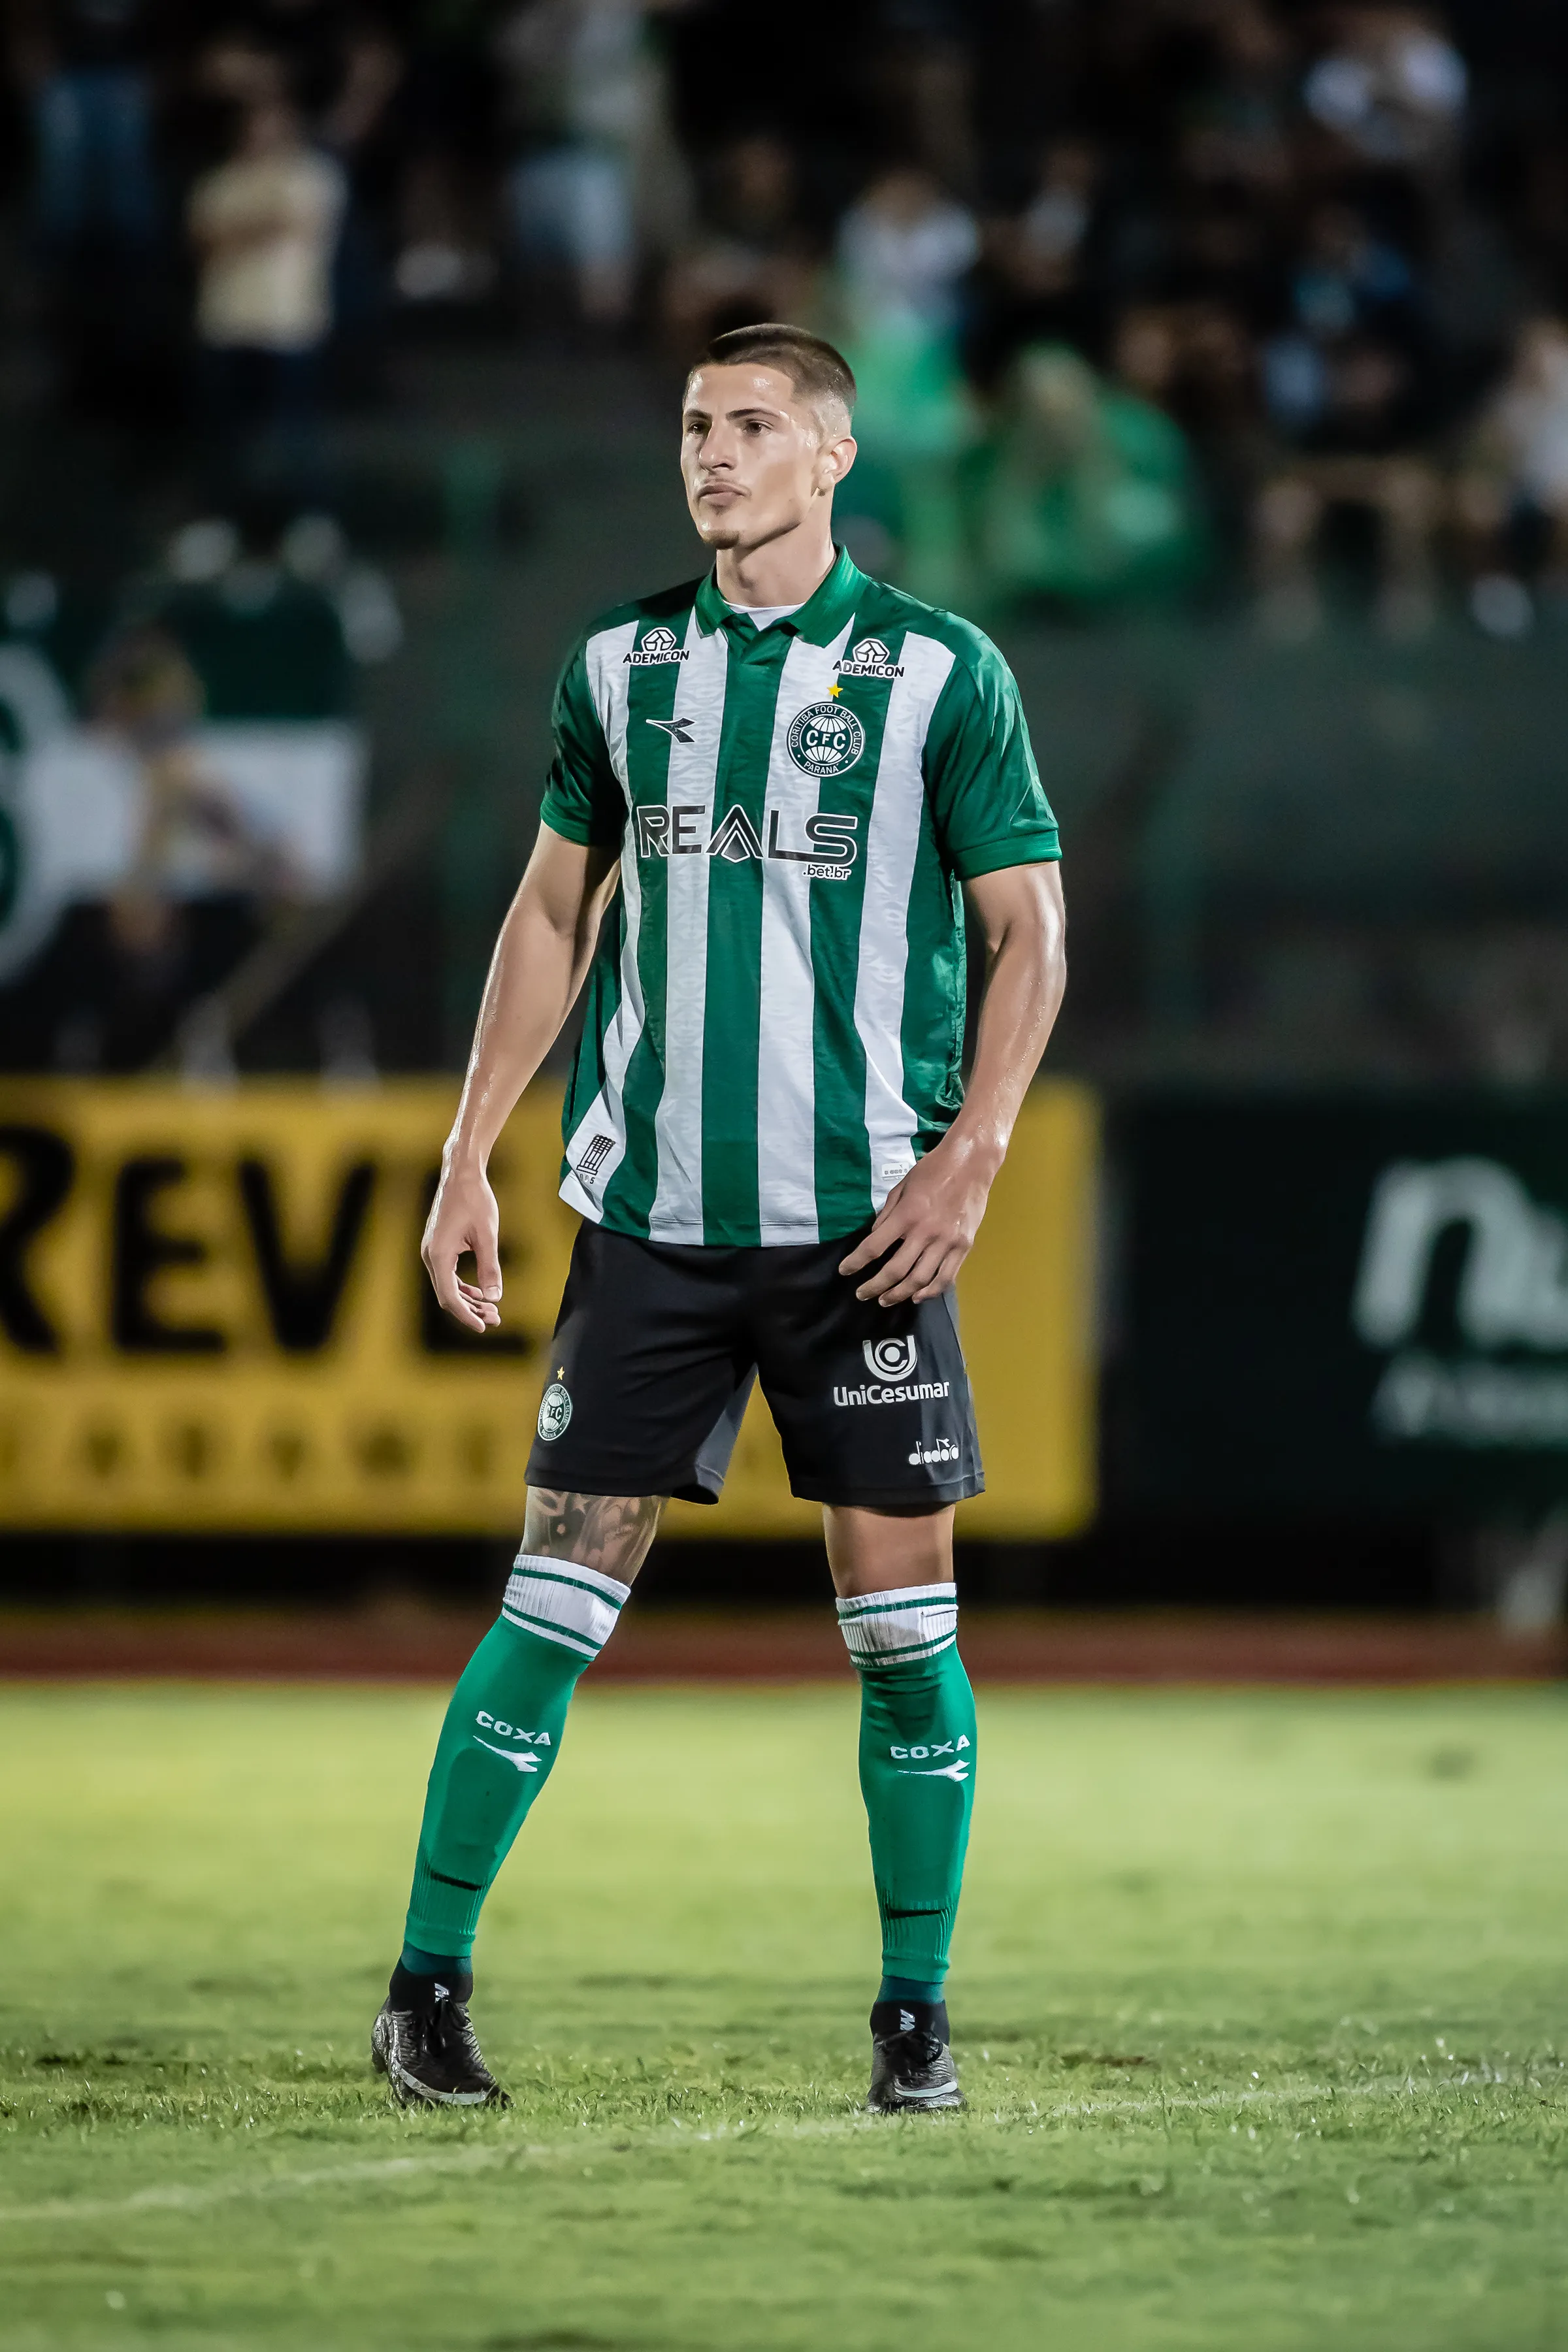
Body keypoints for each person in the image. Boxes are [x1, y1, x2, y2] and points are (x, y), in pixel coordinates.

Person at [370, 320, 1068, 2115]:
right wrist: (468, 1153)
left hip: (866, 1239)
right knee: (549, 1607)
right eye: (697, 424)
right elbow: (548, 917)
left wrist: (971, 1154)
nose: (716, 452)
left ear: (834, 457)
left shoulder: (937, 672)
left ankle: (914, 2017)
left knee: (908, 1646)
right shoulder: (617, 663)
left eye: (755, 425)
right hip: (655, 1229)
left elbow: (1028, 935)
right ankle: (424, 1986)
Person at [188, 95, 346, 514]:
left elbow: (298, 223)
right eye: (258, 126)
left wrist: (239, 229)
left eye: (275, 126)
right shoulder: (220, 181)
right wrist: (261, 224)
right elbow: (204, 239)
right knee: (225, 437)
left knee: (297, 434)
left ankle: (308, 525)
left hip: (291, 326)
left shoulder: (314, 175)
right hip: (226, 324)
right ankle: (222, 524)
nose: (266, 135)